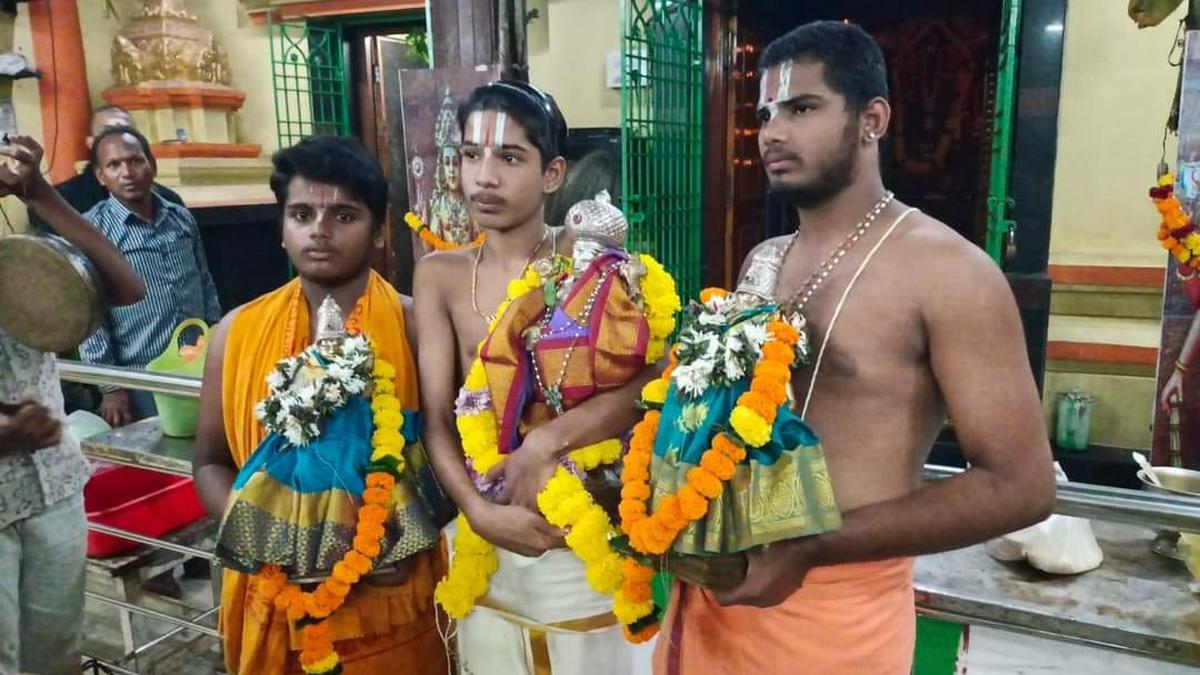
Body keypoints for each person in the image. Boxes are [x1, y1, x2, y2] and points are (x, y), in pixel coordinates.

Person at [652, 22, 1056, 674]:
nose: (773, 131)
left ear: (872, 119)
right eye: (765, 113)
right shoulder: (765, 260)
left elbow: (1021, 486)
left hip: (837, 619)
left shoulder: (949, 272)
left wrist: (810, 547)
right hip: (713, 601)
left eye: (802, 107)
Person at [415, 82, 662, 675]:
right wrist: (478, 511)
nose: (484, 177)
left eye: (509, 157)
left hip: (586, 527)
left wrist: (547, 443)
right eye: (471, 155)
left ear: (553, 174)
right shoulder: (439, 276)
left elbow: (646, 385)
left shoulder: (592, 259)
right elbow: (435, 417)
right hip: (490, 531)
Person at [192, 135, 445, 674]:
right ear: (282, 230)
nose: (320, 230)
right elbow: (211, 462)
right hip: (272, 596)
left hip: (390, 606)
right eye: (301, 213)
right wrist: (265, 541)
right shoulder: (235, 333)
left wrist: (394, 540)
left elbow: (451, 454)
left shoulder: (418, 326)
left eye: (344, 215)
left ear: (379, 231)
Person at [0, 135, 146, 675]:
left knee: (57, 653)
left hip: (53, 487)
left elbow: (128, 287)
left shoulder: (17, 259)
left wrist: (40, 193)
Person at [78, 125, 220, 427]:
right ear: (100, 176)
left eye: (135, 160)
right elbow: (90, 317)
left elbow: (204, 281)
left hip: (197, 365)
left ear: (151, 165)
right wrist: (111, 386)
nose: (127, 172)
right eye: (114, 165)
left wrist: (216, 341)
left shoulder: (179, 218)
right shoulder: (93, 231)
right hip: (140, 376)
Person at [28, 105, 184, 233]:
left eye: (125, 131)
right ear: (91, 143)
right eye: (107, 131)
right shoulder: (64, 199)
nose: (117, 139)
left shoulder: (170, 204)